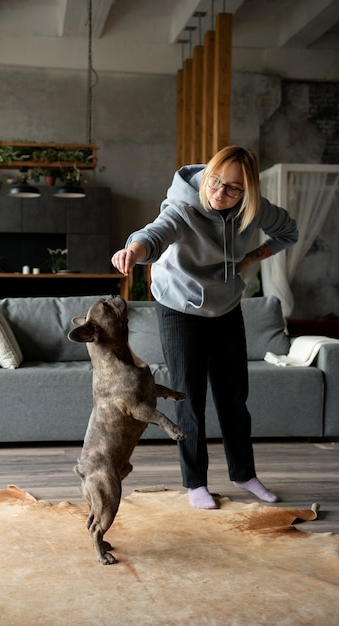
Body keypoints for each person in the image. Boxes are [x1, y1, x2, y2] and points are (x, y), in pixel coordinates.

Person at [111, 146, 298, 510]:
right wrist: (133, 250)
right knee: (189, 398)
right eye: (214, 182)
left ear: (247, 193)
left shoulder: (253, 210)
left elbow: (288, 231)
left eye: (232, 189)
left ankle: (243, 473)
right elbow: (155, 233)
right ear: (207, 175)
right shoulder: (185, 207)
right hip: (179, 305)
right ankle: (195, 481)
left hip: (225, 304)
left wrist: (252, 258)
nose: (218, 194)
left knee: (234, 398)